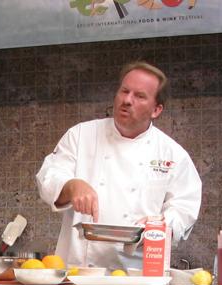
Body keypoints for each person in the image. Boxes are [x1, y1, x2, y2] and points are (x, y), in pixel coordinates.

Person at [36, 61, 202, 269]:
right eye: (124, 91)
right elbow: (49, 176)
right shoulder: (81, 135)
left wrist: (158, 225)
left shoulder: (172, 154)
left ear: (156, 110)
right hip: (78, 272)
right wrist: (71, 185)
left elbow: (184, 209)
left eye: (139, 96)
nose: (127, 100)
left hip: (138, 276)